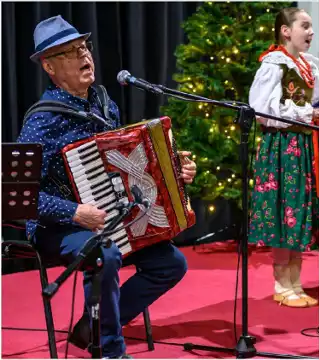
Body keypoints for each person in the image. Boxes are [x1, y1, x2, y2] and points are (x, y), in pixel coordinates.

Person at [17, 16, 196, 358]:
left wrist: (174, 170)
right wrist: (74, 211)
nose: (84, 55)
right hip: (57, 225)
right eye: (70, 52)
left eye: (84, 47)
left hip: (111, 218)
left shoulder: (103, 102)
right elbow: (23, 196)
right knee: (105, 255)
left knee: (171, 264)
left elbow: (124, 168)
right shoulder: (42, 121)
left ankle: (91, 327)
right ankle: (110, 349)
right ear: (49, 66)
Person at [248, 7, 319, 308]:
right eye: (305, 25)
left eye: (311, 26)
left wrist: (311, 113)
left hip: (299, 146)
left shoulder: (304, 64)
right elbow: (263, 109)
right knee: (282, 209)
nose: (311, 32)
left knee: (297, 209)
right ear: (286, 31)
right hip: (280, 146)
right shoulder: (274, 64)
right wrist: (306, 113)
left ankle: (295, 281)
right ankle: (281, 283)